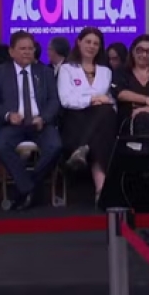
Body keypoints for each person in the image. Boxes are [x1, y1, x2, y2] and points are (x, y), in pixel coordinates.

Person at [0, 31, 62, 211]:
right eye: (22, 49)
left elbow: (54, 101)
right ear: (11, 52)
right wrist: (7, 115)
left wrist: (43, 118)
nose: (27, 52)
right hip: (12, 125)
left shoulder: (45, 72)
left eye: (30, 48)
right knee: (0, 144)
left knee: (55, 146)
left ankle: (27, 186)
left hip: (39, 124)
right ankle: (29, 188)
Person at [56, 27, 117, 204]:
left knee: (105, 114)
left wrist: (99, 99)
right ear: (79, 42)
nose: (91, 46)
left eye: (96, 43)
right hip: (75, 120)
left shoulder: (106, 71)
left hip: (100, 121)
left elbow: (109, 99)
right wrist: (92, 99)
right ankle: (102, 188)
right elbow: (66, 99)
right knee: (103, 121)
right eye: (88, 42)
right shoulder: (67, 68)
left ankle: (83, 150)